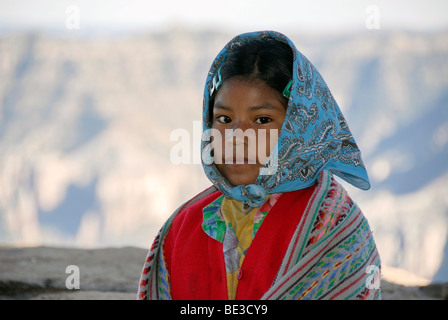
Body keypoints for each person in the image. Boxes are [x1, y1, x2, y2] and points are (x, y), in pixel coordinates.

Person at [138, 31, 381, 300]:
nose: (237, 138)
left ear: (298, 128)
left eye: (262, 120)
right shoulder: (181, 230)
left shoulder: (333, 231)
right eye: (224, 118)